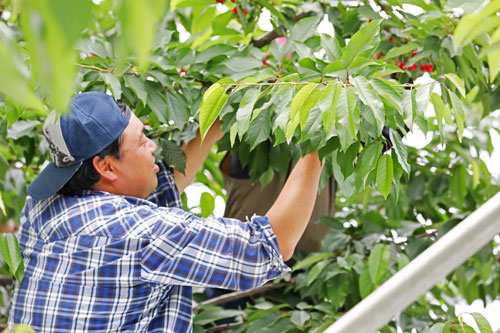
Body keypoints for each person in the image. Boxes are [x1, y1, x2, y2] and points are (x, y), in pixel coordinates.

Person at [8, 92, 323, 332]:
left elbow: (155, 188)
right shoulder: (143, 233)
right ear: (105, 166)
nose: (153, 146)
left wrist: (215, 124)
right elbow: (271, 245)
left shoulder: (40, 208)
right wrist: (317, 141)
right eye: (142, 140)